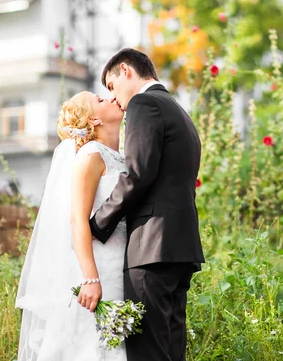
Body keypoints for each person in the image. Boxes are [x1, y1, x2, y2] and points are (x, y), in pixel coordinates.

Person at [89, 48, 205, 361]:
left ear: (126, 70)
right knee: (171, 351)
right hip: (180, 249)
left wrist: (97, 224)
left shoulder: (144, 103)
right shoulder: (178, 110)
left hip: (151, 248)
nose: (115, 99)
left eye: (112, 87)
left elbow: (137, 174)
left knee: (148, 353)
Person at [16, 90, 128, 360]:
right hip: (100, 267)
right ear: (94, 120)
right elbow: (78, 218)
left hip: (123, 263)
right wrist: (90, 278)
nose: (111, 98)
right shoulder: (91, 155)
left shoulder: (122, 155)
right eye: (100, 100)